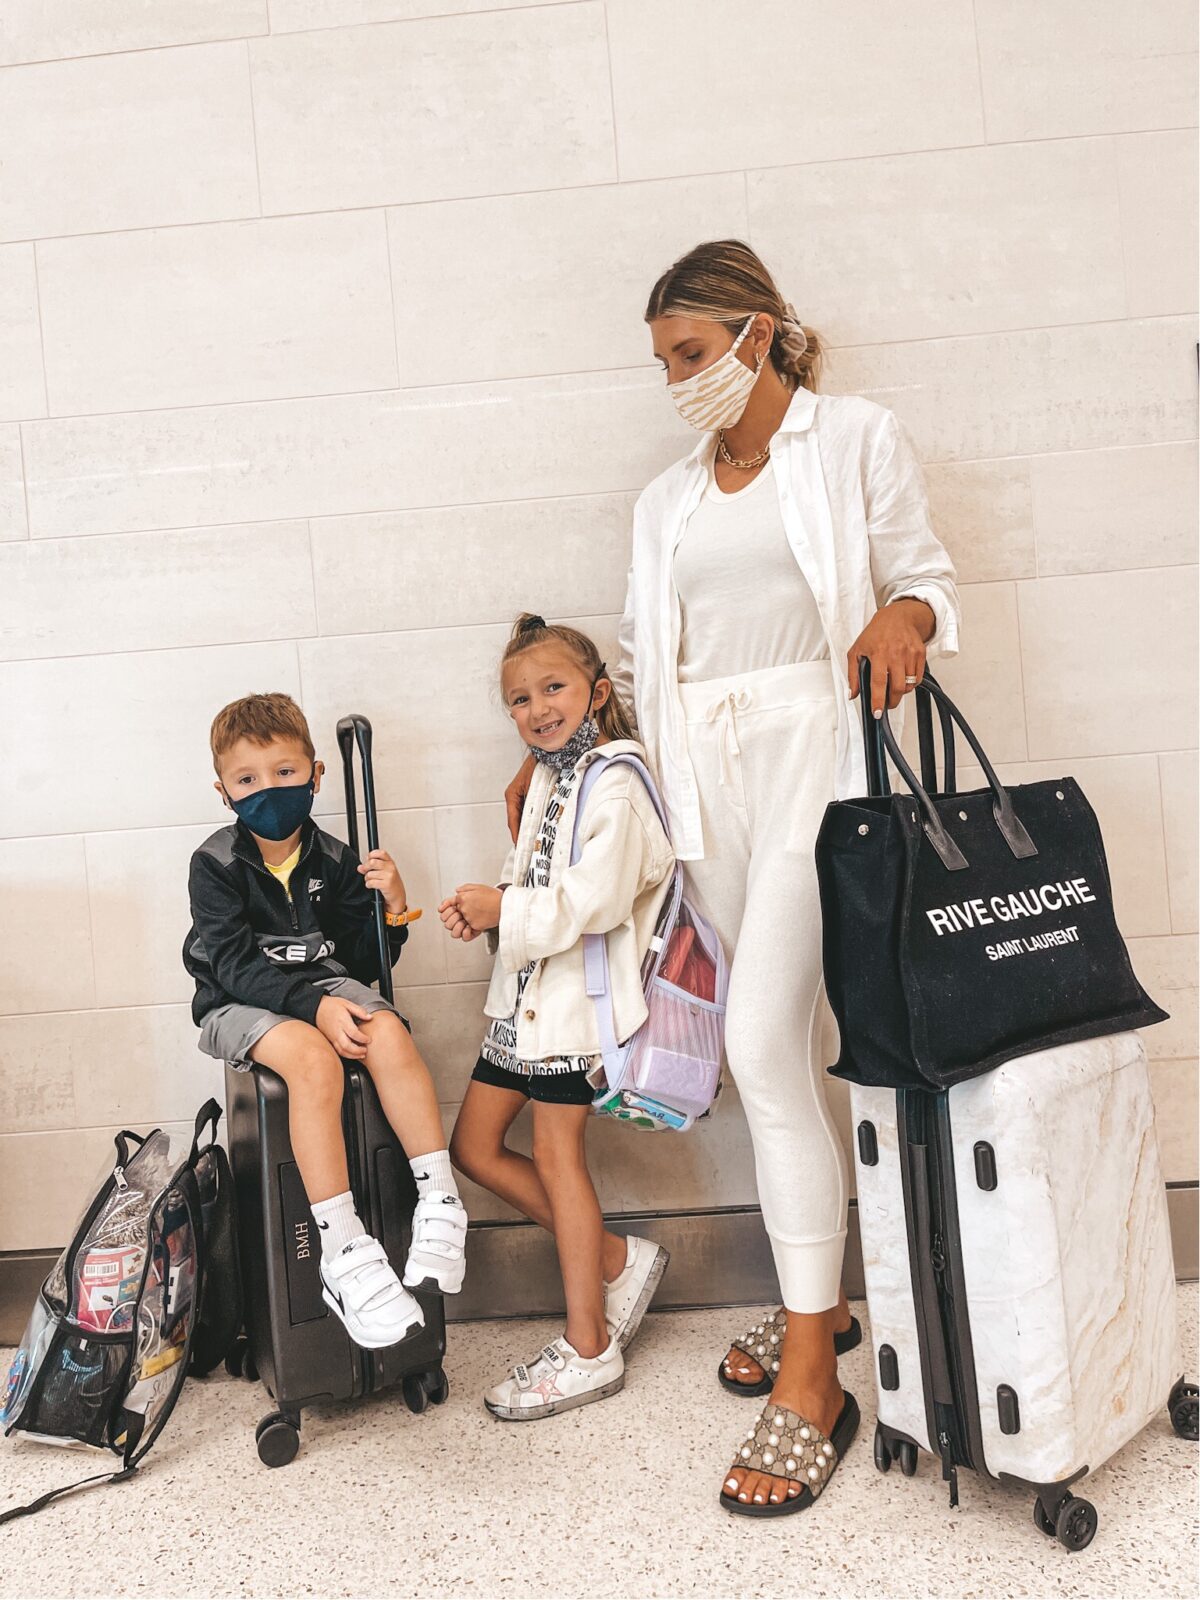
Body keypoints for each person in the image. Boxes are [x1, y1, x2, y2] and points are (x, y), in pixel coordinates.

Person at [504, 241, 962, 1512]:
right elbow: (638, 666)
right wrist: (559, 771)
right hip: (705, 790)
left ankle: (813, 1373)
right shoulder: (666, 502)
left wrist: (906, 616)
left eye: (692, 353)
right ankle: (824, 1295)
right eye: (662, 362)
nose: (677, 381)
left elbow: (925, 577)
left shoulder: (854, 437)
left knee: (761, 1046)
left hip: (821, 764)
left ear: (759, 334)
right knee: (777, 1054)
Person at [441, 615, 674, 1420]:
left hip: (576, 1007)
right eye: (519, 699)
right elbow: (537, 876)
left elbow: (594, 901)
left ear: (597, 692)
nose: (537, 708)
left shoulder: (616, 783)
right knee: (473, 1145)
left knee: (556, 1153)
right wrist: (493, 912)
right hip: (526, 1000)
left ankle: (588, 1345)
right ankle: (614, 1259)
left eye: (553, 689)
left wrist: (503, 908)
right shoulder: (548, 774)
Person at [184, 692, 468, 1350]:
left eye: (284, 772)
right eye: (247, 779)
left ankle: (440, 1200)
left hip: (320, 986)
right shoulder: (215, 865)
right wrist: (314, 1007)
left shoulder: (336, 859)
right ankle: (343, 1251)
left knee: (388, 1030)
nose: (267, 789)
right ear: (224, 792)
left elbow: (360, 963)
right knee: (312, 1059)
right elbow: (233, 967)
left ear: (315, 775)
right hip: (235, 1001)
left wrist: (391, 911)